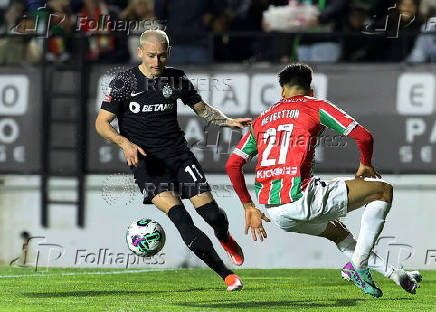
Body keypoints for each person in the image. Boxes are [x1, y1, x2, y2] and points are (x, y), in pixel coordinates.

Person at [225, 63, 422, 297]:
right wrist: (365, 163)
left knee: (338, 233)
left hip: (276, 213)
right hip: (303, 197)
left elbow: (233, 164)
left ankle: (397, 276)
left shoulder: (262, 119)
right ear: (310, 90)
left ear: (282, 92)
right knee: (383, 191)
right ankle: (358, 265)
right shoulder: (314, 105)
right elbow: (364, 136)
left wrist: (248, 205)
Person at [95, 30, 251, 291]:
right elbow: (101, 122)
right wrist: (124, 142)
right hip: (148, 165)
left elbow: (203, 110)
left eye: (161, 56)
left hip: (179, 156)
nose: (156, 62)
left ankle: (224, 236)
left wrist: (227, 121)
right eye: (151, 56)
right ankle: (226, 274)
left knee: (212, 215)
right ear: (140, 53)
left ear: (169, 53)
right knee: (181, 219)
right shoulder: (123, 83)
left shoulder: (176, 79)